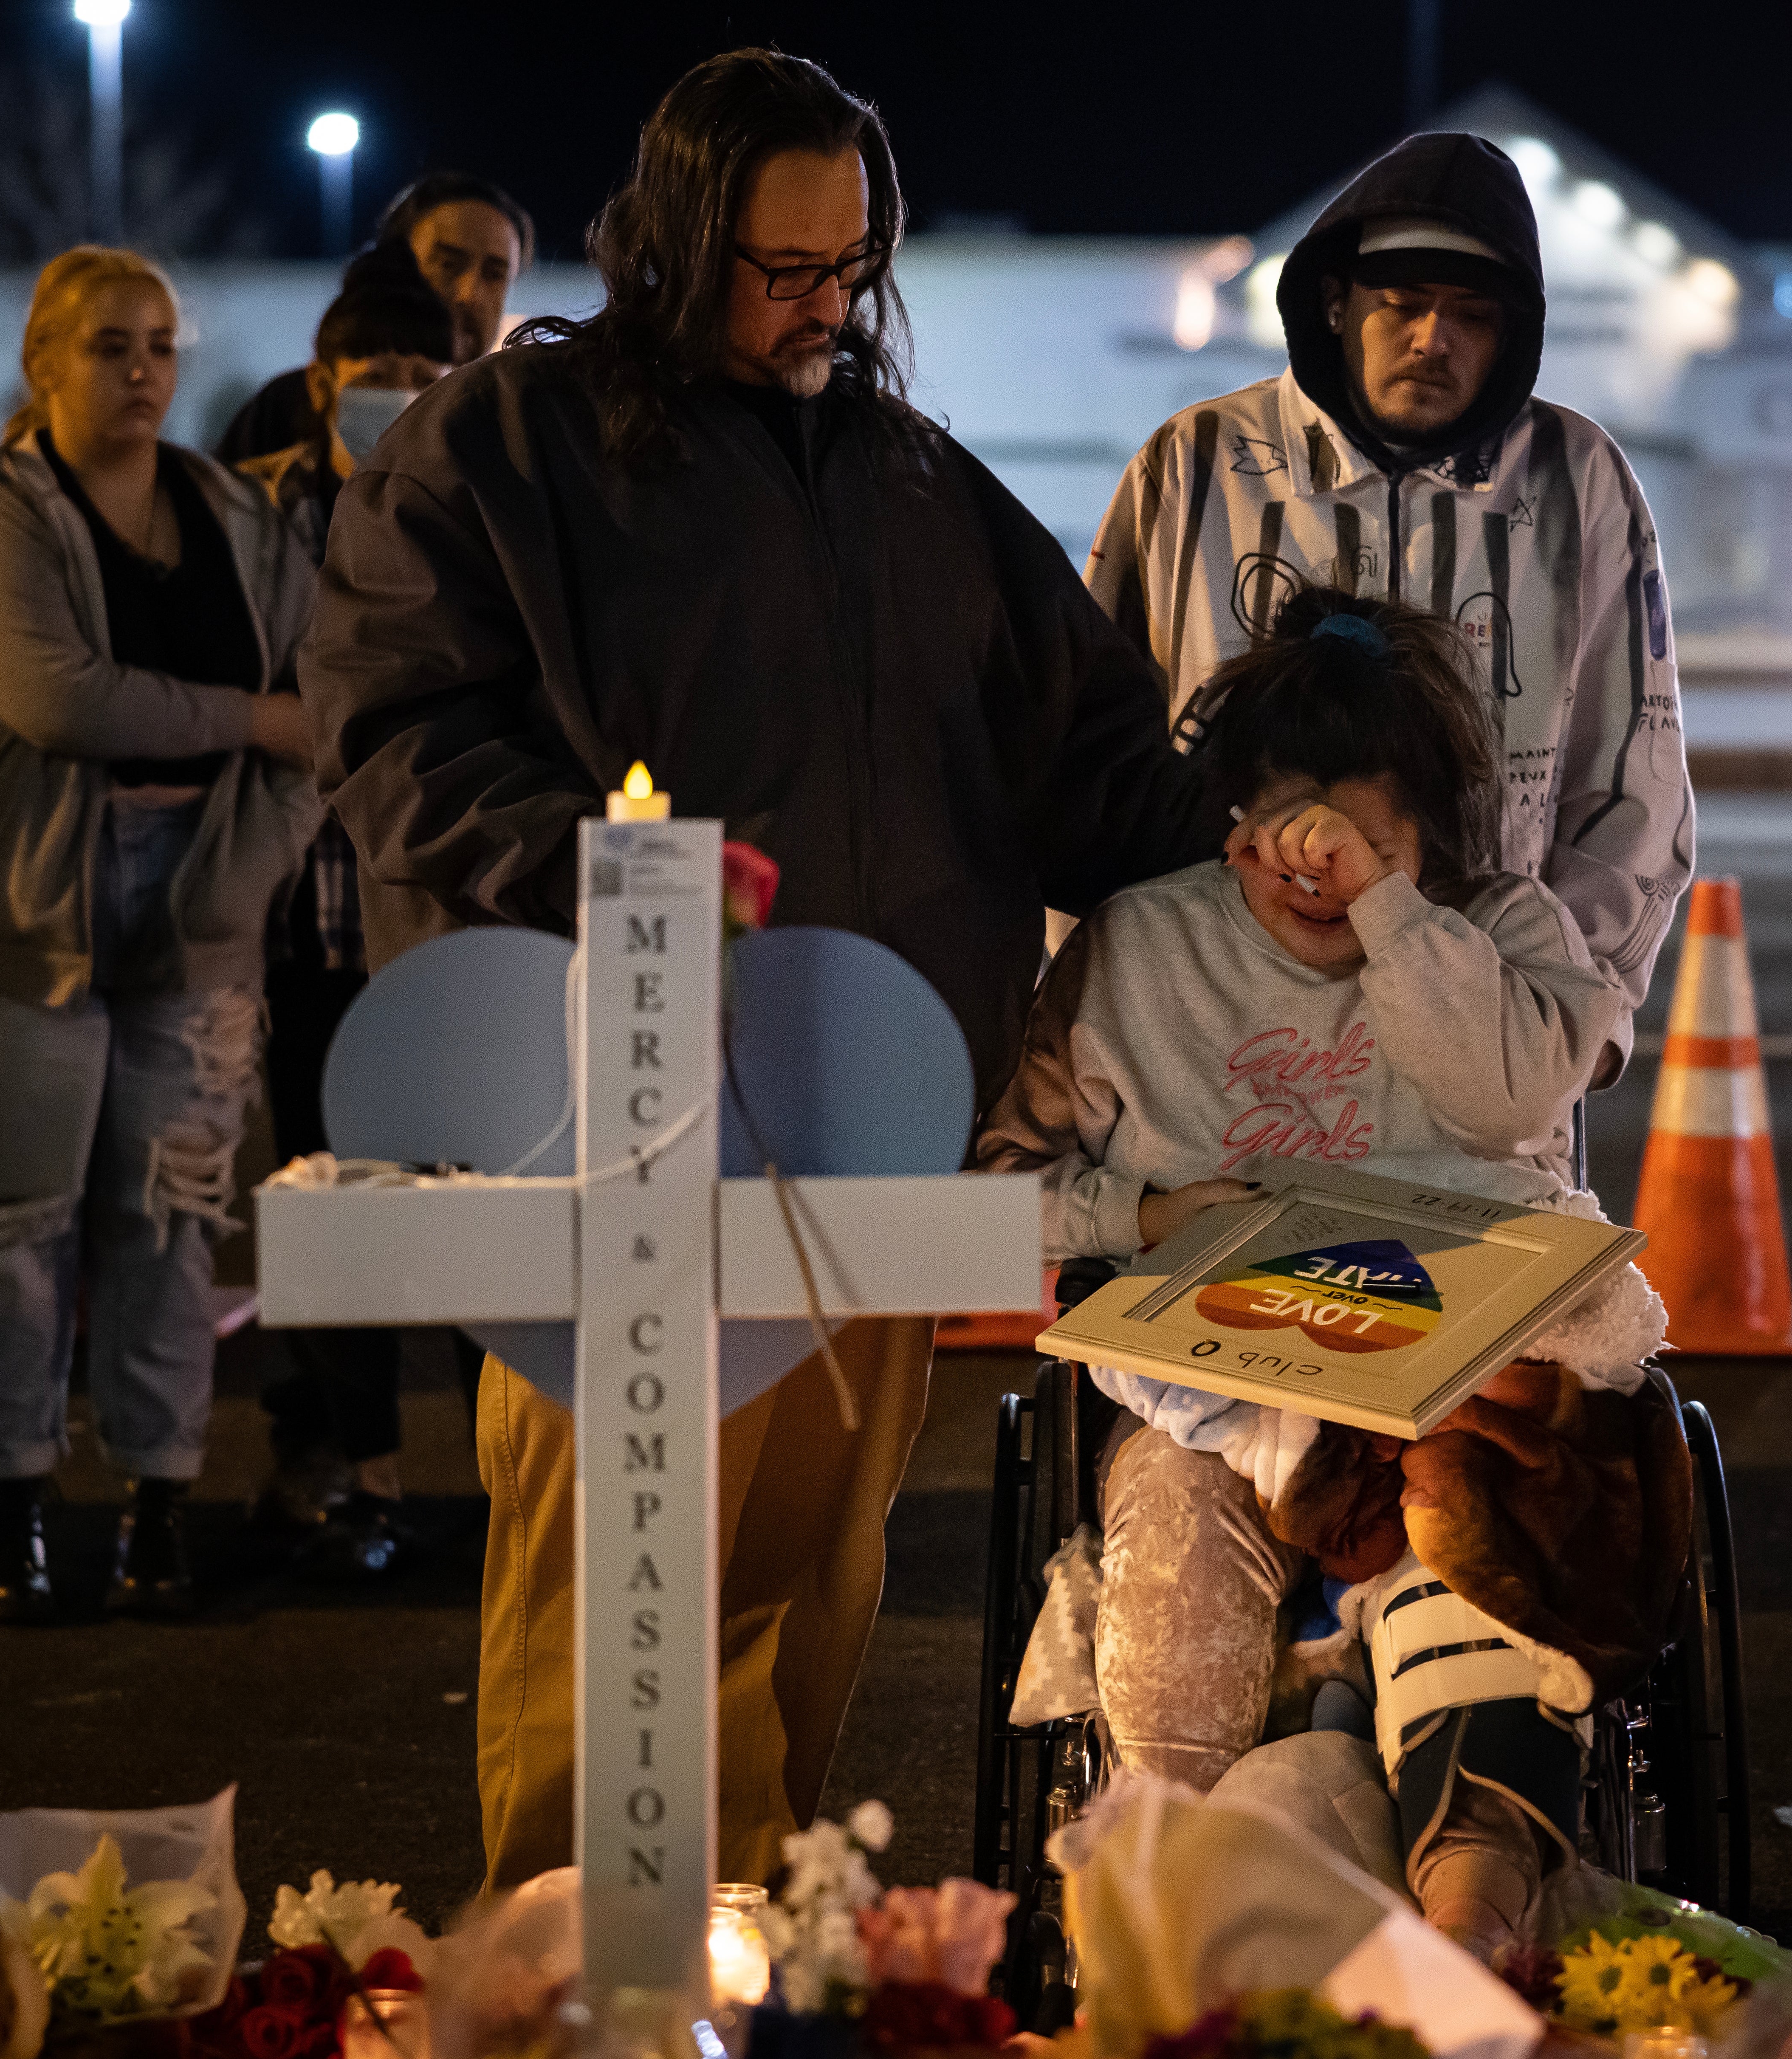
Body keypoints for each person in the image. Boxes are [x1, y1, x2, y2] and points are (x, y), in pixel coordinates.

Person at [302, 48, 1218, 1889]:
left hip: (875, 1138)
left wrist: (1290, 814)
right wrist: (612, 870)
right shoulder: (505, 446)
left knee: (808, 1585)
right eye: (781, 268)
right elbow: (394, 738)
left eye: (850, 269)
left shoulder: (917, 487)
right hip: (610, 1131)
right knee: (613, 1606)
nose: (823, 308)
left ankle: (740, 1951)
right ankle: (568, 1975)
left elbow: (1095, 765)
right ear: (668, 243)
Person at [975, 584, 1686, 1957]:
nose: (1306, 874)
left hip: (1455, 1383)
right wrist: (1144, 1209)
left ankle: (1471, 1931)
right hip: (1217, 1390)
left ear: (1426, 833)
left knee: (1474, 1505)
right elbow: (996, 1193)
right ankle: (1173, 1940)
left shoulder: (1506, 928)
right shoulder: (1138, 945)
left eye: (1357, 841)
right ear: (1226, 820)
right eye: (1273, 837)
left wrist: (1395, 917)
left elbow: (1489, 1104)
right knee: (1175, 1532)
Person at [0, 245, 321, 1625]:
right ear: (42, 365)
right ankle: (10, 1507)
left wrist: (242, 879)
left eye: (157, 347)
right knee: (19, 1222)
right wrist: (245, 718)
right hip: (23, 908)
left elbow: (319, 708)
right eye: (106, 347)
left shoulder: (233, 515)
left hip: (196, 896)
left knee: (167, 1217)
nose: (140, 371)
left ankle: (156, 1502)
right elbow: (59, 699)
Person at [1087, 131, 1693, 1086]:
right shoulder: (1194, 467)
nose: (1432, 340)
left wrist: (1567, 1017)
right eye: (1402, 305)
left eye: (1471, 316)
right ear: (1336, 303)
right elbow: (1098, 756)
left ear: (1512, 333)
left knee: (1472, 1242)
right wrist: (1103, 997)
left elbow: (1632, 781)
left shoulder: (1579, 484)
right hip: (1215, 1034)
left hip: (1481, 1028)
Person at [236, 240, 460, 1571]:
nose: (398, 391)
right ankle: (365, 1476)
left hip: (433, 929)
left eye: (422, 370)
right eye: (376, 370)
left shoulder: (474, 503)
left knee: (476, 1203)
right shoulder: (260, 516)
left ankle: (512, 1473)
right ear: (324, 377)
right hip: (302, 920)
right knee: (338, 1200)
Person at [215, 172, 533, 465]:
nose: (470, 295)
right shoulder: (286, 411)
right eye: (449, 264)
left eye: (495, 275)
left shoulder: (515, 427)